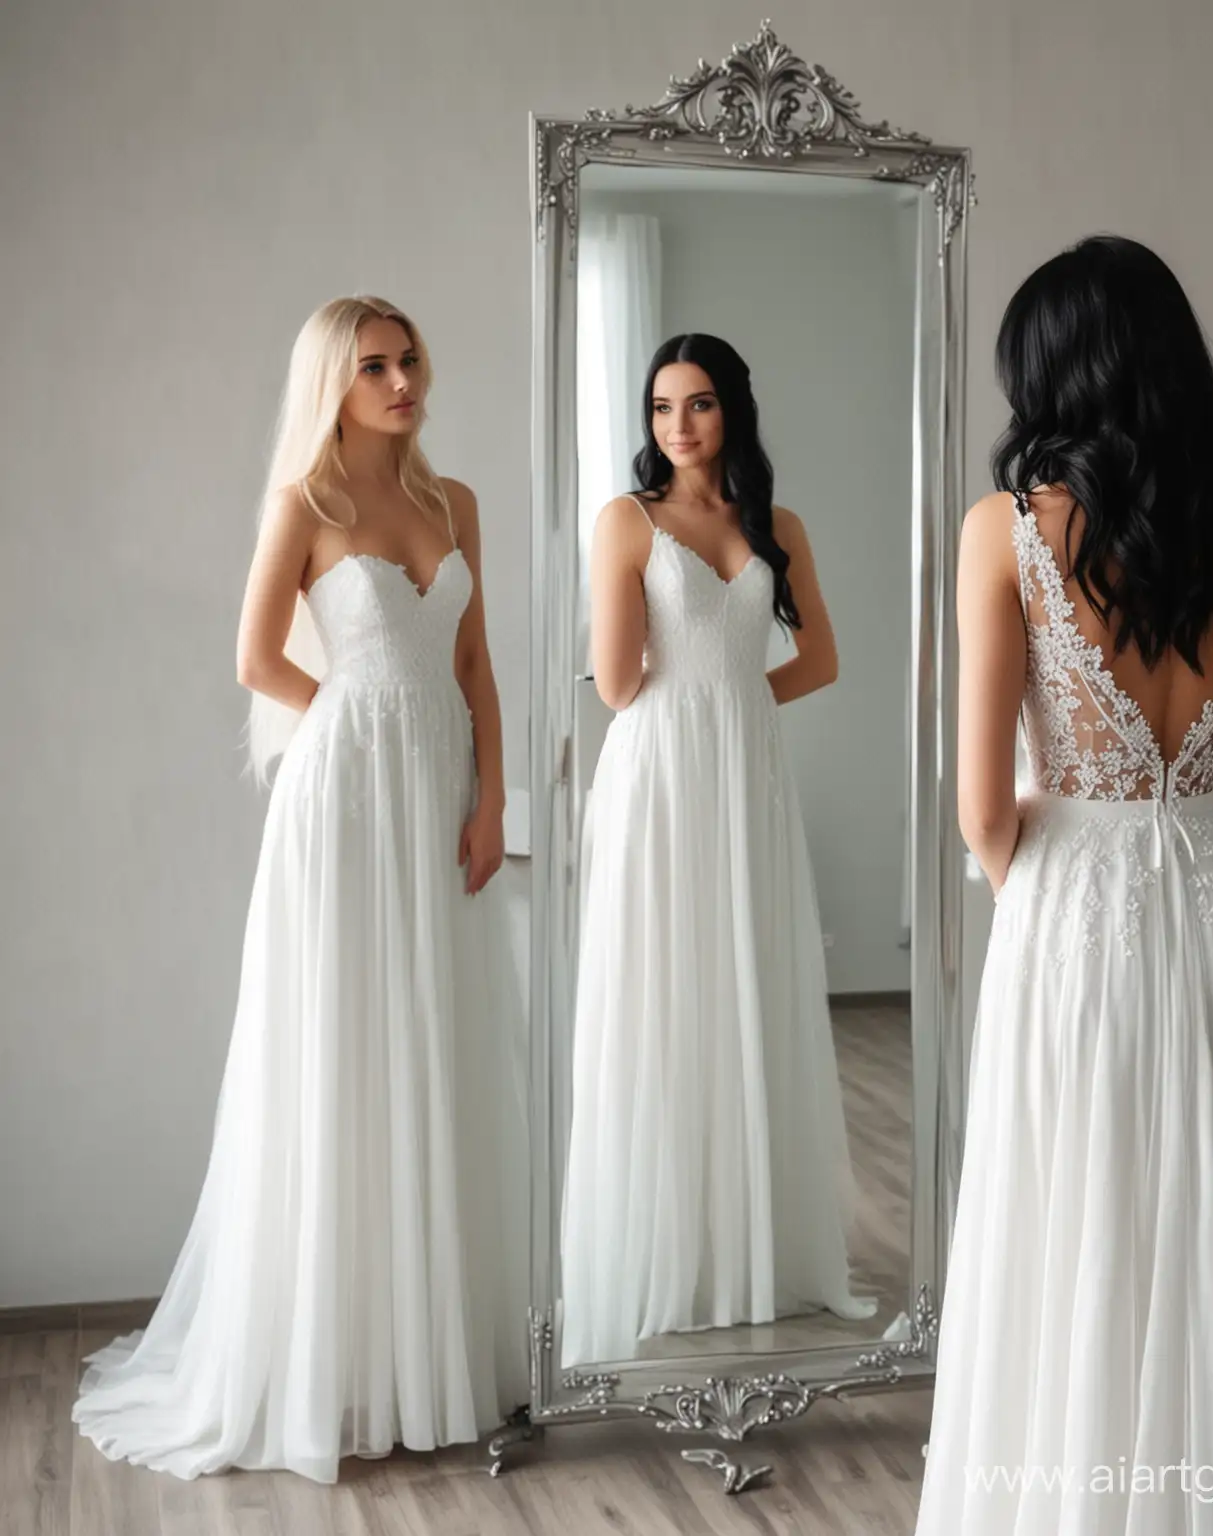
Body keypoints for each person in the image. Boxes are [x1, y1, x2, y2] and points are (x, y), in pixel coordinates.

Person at [915, 238, 1213, 1533]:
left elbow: (982, 808)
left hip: (1071, 910)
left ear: (1053, 371)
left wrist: (1058, 882)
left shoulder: (1006, 531)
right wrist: (1189, 838)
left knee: (1072, 1233)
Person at [72, 296, 530, 1483]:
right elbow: (253, 655)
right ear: (332, 382)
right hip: (345, 800)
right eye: (373, 365)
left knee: (435, 1043)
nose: (399, 380)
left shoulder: (453, 503)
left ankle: (431, 1354)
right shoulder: (309, 506)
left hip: (439, 789)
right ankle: (333, 1362)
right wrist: (345, 721)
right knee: (340, 1047)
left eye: (409, 358)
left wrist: (492, 800)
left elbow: (474, 662)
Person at [559, 333, 877, 1366]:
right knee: (667, 987)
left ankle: (755, 1253)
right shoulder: (627, 521)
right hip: (657, 776)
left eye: (697, 404)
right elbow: (615, 686)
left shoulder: (776, 525)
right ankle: (663, 1254)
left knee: (745, 982)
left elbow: (819, 659)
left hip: (746, 775)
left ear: (732, 408)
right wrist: (707, 700)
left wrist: (737, 702)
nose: (678, 426)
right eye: (660, 408)